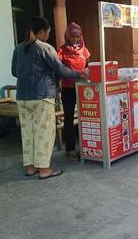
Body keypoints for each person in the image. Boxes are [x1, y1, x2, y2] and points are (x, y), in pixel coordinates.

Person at [11, 17, 87, 179]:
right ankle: (44, 169)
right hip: (42, 96)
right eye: (47, 32)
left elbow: (14, 72)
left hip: (23, 97)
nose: (48, 36)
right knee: (44, 133)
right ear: (42, 31)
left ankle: (31, 167)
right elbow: (60, 69)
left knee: (28, 133)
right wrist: (79, 74)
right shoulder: (45, 48)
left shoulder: (18, 48)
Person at [57, 23, 90, 160]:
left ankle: (88, 147)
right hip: (68, 89)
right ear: (67, 36)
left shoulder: (84, 50)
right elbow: (59, 69)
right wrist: (76, 74)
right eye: (73, 36)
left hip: (83, 89)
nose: (75, 39)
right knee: (69, 119)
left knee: (86, 117)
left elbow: (88, 66)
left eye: (78, 36)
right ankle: (70, 149)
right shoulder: (61, 51)